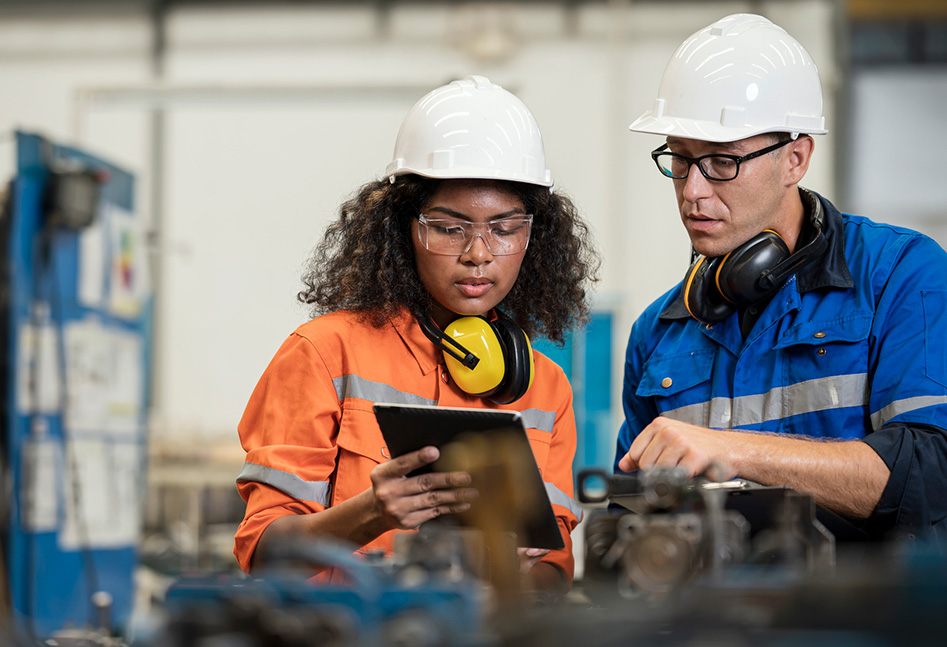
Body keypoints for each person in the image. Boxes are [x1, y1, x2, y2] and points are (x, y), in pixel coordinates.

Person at [233, 75, 598, 593]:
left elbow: (555, 570)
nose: (478, 252)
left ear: (533, 237)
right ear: (405, 228)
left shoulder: (547, 389)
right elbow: (263, 551)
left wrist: (515, 573)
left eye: (505, 227)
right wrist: (370, 514)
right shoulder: (324, 353)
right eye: (450, 227)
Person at [614, 13, 947, 542]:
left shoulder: (899, 275)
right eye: (679, 160)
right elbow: (627, 520)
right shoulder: (658, 331)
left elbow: (928, 478)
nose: (692, 191)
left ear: (795, 159)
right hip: (708, 622)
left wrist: (731, 448)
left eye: (722, 162)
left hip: (862, 619)